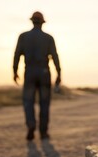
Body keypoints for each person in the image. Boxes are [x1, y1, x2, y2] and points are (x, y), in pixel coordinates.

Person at [13, 11, 61, 140]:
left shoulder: (23, 37)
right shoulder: (48, 38)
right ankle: (43, 132)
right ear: (42, 23)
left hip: (29, 72)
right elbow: (55, 56)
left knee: (28, 102)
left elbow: (17, 55)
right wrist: (59, 73)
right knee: (44, 103)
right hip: (44, 72)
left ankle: (31, 126)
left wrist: (15, 71)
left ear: (32, 21)